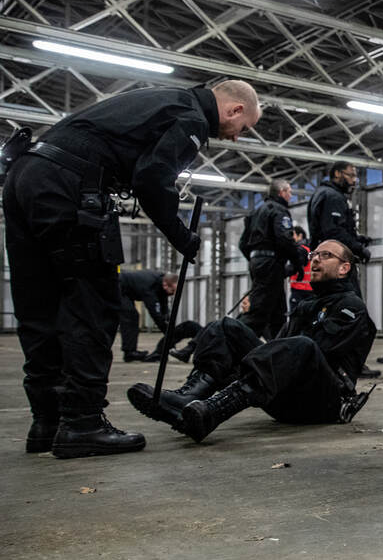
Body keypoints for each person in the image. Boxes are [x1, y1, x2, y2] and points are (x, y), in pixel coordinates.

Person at [4, 80, 260, 458]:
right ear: (235, 109)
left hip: (24, 178)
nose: (237, 137)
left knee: (39, 304)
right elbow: (152, 178)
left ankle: (47, 422)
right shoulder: (191, 117)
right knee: (92, 306)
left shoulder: (165, 100)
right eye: (244, 128)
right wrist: (182, 237)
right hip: (70, 186)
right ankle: (82, 424)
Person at [127, 239, 377, 442]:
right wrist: (235, 362)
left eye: (325, 255)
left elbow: (315, 353)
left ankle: (215, 410)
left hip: (322, 403)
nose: (315, 259)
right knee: (225, 327)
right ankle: (189, 398)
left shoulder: (352, 307)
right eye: (313, 255)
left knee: (303, 345)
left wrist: (249, 367)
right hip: (286, 398)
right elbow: (277, 348)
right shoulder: (306, 306)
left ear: (344, 268)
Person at [308, 162, 378, 378]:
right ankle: (350, 365)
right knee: (356, 315)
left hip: (325, 263)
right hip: (336, 264)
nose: (354, 180)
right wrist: (358, 248)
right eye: (351, 175)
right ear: (337, 173)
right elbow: (334, 232)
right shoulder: (333, 197)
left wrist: (358, 239)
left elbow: (328, 230)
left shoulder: (321, 194)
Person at [239, 179, 305, 339]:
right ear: (282, 192)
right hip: (271, 265)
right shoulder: (278, 210)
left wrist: (256, 259)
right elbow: (285, 239)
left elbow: (242, 243)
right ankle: (230, 341)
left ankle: (278, 347)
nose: (291, 196)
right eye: (289, 192)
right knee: (258, 314)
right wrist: (297, 263)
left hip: (259, 263)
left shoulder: (255, 213)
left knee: (277, 312)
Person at [118, 270, 177, 362]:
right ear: (165, 285)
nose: (173, 294)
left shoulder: (161, 284)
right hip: (118, 287)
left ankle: (130, 352)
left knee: (131, 315)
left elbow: (164, 311)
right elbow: (156, 314)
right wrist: (169, 335)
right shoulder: (150, 287)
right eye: (172, 290)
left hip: (126, 290)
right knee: (130, 316)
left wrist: (170, 335)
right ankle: (129, 353)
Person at [288, 225, 313, 310]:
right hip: (309, 289)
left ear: (300, 235)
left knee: (295, 315)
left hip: (299, 289)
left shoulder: (300, 249)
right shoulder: (309, 249)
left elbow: (294, 266)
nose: (291, 237)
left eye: (293, 234)